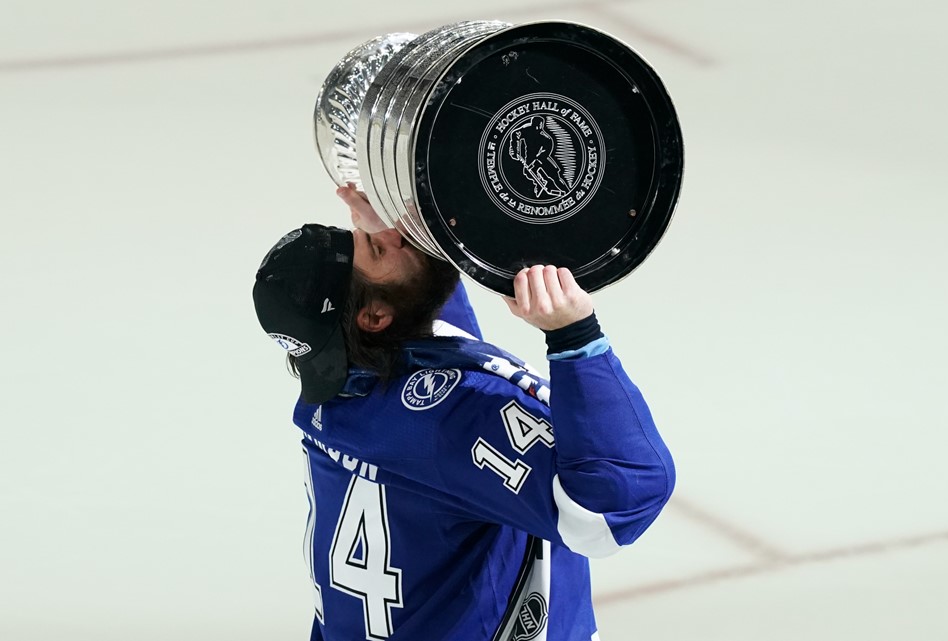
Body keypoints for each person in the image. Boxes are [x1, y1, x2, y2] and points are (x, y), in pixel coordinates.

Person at [252, 187, 675, 641]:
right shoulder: (447, 420)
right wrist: (576, 336)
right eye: (376, 249)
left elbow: (433, 342)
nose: (393, 236)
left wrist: (399, 232)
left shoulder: (346, 395)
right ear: (374, 316)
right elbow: (612, 509)